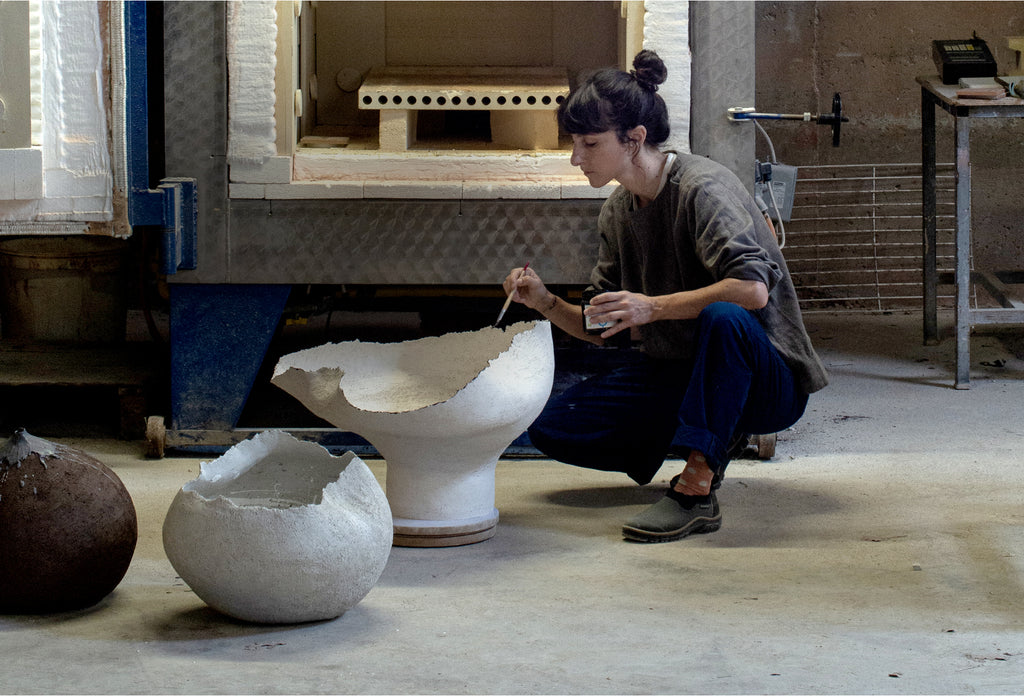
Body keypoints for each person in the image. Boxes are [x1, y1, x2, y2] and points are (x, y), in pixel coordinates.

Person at [501, 50, 829, 543]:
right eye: (574, 143)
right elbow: (601, 326)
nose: (576, 157)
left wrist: (651, 307)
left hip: (768, 376)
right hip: (682, 369)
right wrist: (545, 301)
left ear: (634, 140)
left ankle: (696, 487)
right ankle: (715, 429)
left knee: (724, 316)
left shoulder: (703, 188)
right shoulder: (618, 209)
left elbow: (752, 291)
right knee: (555, 427)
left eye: (590, 143)